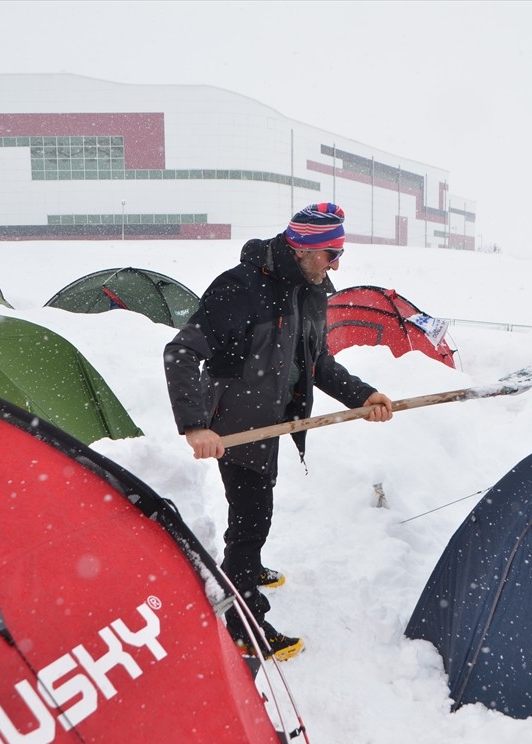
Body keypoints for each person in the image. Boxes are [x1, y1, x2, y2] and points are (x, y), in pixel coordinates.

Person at [163, 202, 394, 661]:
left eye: (339, 253)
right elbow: (181, 352)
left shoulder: (311, 289)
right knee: (251, 519)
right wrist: (195, 426)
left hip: (273, 418)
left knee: (255, 507)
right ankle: (246, 622)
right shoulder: (239, 288)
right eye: (331, 254)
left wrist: (362, 396)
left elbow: (317, 361)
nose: (337, 264)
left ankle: (246, 565)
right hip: (235, 424)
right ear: (301, 248)